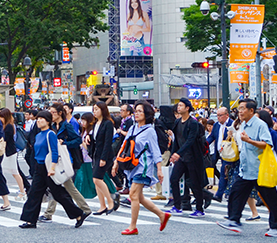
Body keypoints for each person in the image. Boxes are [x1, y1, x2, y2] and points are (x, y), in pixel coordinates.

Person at [218, 100, 277, 236]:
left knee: (271, 198)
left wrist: (249, 141)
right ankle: (233, 220)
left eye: (242, 108)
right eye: (239, 108)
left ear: (251, 111)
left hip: (259, 169)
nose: (240, 111)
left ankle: (276, 226)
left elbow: (267, 144)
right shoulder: (243, 124)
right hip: (246, 169)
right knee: (236, 193)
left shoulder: (260, 125)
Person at [19, 110, 88, 229]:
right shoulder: (38, 135)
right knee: (34, 193)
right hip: (39, 167)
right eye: (38, 119)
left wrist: (52, 168)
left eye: (42, 119)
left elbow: (54, 152)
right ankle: (30, 221)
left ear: (48, 121)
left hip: (49, 168)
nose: (39, 121)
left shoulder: (50, 134)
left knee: (58, 194)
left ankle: (78, 214)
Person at [112, 101, 171, 235]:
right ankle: (162, 215)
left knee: (133, 194)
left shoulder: (150, 131)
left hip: (143, 166)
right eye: (135, 111)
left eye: (140, 111)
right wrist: (116, 162)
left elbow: (155, 151)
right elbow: (124, 145)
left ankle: (133, 227)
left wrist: (159, 170)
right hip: (132, 166)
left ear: (147, 114)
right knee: (139, 197)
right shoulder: (133, 128)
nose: (136, 114)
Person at [39, 103, 91, 222]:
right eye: (50, 112)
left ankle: (49, 213)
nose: (51, 115)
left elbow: (77, 140)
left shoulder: (66, 126)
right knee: (59, 186)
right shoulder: (52, 126)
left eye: (53, 112)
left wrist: (65, 143)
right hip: (55, 159)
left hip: (66, 159)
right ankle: (84, 209)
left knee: (64, 186)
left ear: (60, 113)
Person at [166, 98, 208, 217]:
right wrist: (173, 154)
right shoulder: (177, 122)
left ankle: (199, 209)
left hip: (193, 157)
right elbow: (176, 140)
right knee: (174, 179)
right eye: (178, 105)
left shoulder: (193, 123)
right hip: (182, 158)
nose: (178, 107)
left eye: (181, 105)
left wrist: (178, 153)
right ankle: (177, 206)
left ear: (187, 108)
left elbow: (190, 140)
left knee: (194, 183)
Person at [87, 101, 115, 214]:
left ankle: (110, 202)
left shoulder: (108, 123)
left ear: (102, 110)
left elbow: (108, 142)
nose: (94, 111)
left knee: (97, 179)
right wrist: (88, 137)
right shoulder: (95, 123)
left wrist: (103, 158)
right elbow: (95, 138)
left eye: (96, 109)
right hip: (96, 154)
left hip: (105, 155)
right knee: (97, 181)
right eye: (93, 109)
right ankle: (102, 205)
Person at [0, 108, 27, 200]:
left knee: (15, 172)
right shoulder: (5, 125)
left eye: (1, 117)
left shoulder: (9, 126)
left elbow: (5, 138)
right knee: (2, 171)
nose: (0, 118)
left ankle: (22, 191)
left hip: (10, 152)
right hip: (7, 152)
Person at [212, 107, 233, 202]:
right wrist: (204, 143)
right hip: (218, 152)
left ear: (226, 115)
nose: (218, 117)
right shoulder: (216, 125)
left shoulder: (231, 124)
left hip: (228, 153)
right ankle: (225, 192)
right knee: (220, 171)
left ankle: (219, 194)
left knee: (224, 173)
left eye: (220, 115)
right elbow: (212, 136)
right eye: (217, 115)